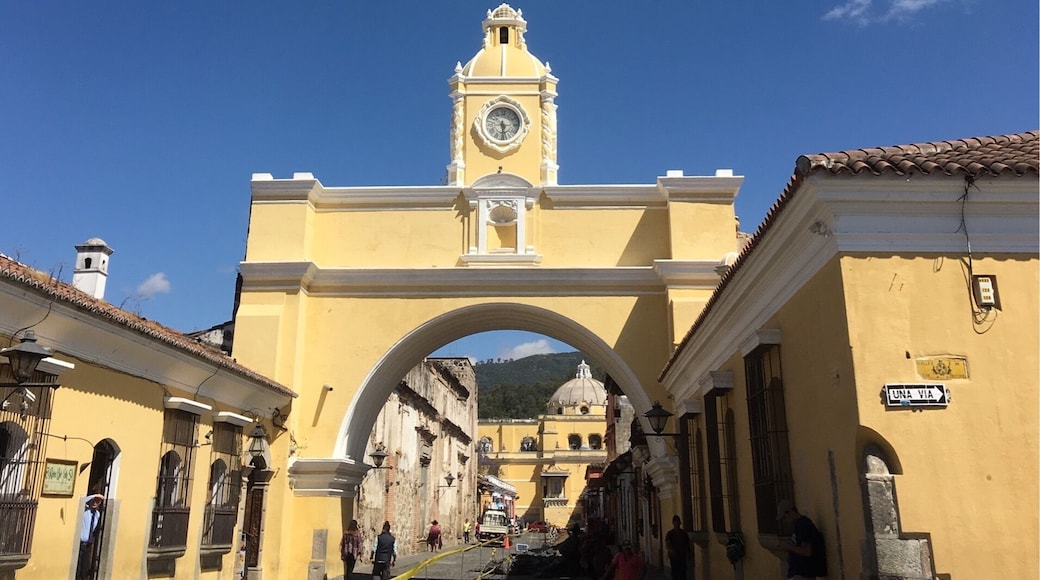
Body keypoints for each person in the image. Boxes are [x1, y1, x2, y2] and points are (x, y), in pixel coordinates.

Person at [778, 499, 821, 579]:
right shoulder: (798, 525)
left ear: (790, 511)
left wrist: (789, 547)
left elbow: (807, 551)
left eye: (785, 517)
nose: (785, 521)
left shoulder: (803, 525)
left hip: (802, 574)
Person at [76, 494, 105, 580]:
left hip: (88, 544)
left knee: (85, 567)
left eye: (98, 501)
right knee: (78, 567)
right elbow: (82, 501)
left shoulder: (97, 514)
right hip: (81, 543)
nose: (95, 502)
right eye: (94, 500)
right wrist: (95, 495)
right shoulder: (85, 510)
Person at [665, 515, 691, 580]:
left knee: (683, 573)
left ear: (680, 523)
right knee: (675, 573)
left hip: (682, 556)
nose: (676, 524)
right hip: (674, 557)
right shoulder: (670, 534)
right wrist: (671, 550)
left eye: (677, 522)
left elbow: (687, 544)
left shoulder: (684, 534)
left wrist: (689, 554)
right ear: (673, 523)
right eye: (675, 522)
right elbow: (667, 544)